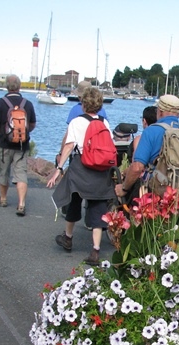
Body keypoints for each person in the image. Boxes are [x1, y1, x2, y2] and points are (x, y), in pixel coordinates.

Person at [46, 87, 116, 266]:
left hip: (81, 167)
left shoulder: (76, 122)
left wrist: (59, 168)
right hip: (101, 171)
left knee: (74, 201)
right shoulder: (105, 123)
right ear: (100, 105)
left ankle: (68, 238)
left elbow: (69, 146)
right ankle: (95, 250)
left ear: (83, 104)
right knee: (98, 207)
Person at [114, 94, 179, 198]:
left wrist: (124, 188)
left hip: (154, 196)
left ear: (159, 111)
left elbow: (137, 168)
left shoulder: (151, 131)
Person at [0, 74, 36, 216]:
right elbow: (32, 124)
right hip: (22, 146)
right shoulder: (27, 104)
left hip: (4, 144)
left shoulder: (0, 103)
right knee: (21, 173)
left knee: (4, 171)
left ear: (6, 86)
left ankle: (3, 199)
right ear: (19, 86)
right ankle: (21, 204)